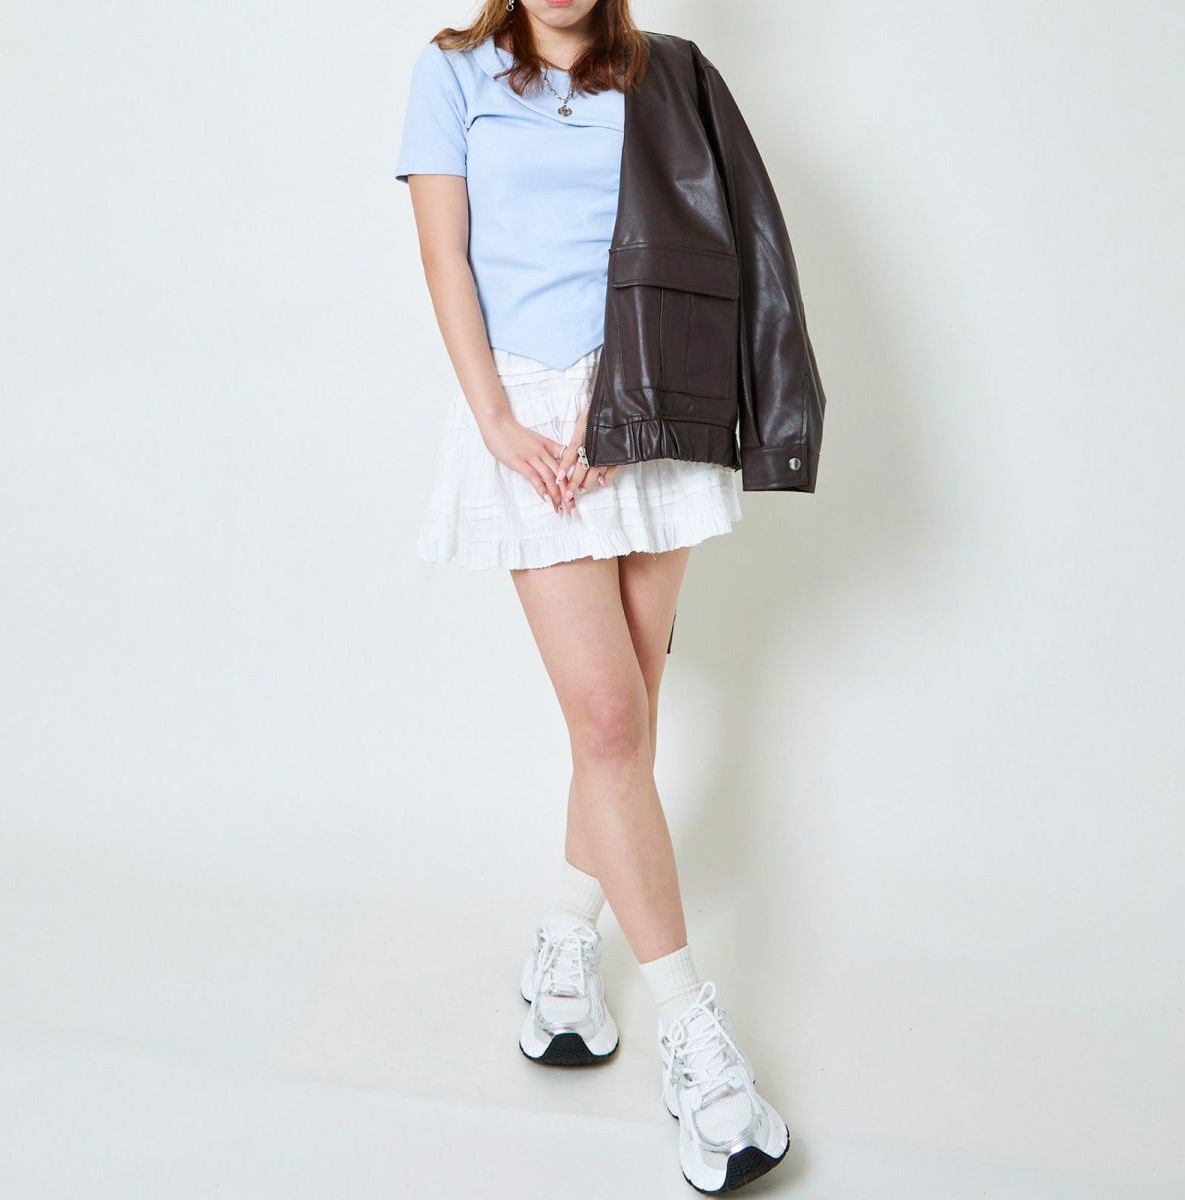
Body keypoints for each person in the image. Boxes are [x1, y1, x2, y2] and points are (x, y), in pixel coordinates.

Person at [395, 1, 795, 1191]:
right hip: (532, 426)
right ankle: (695, 1042)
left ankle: (566, 948)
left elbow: (707, 252)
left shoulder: (665, 76)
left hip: (646, 411)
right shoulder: (452, 75)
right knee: (612, 722)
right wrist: (499, 422)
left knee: (629, 719)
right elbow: (444, 255)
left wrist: (638, 404)